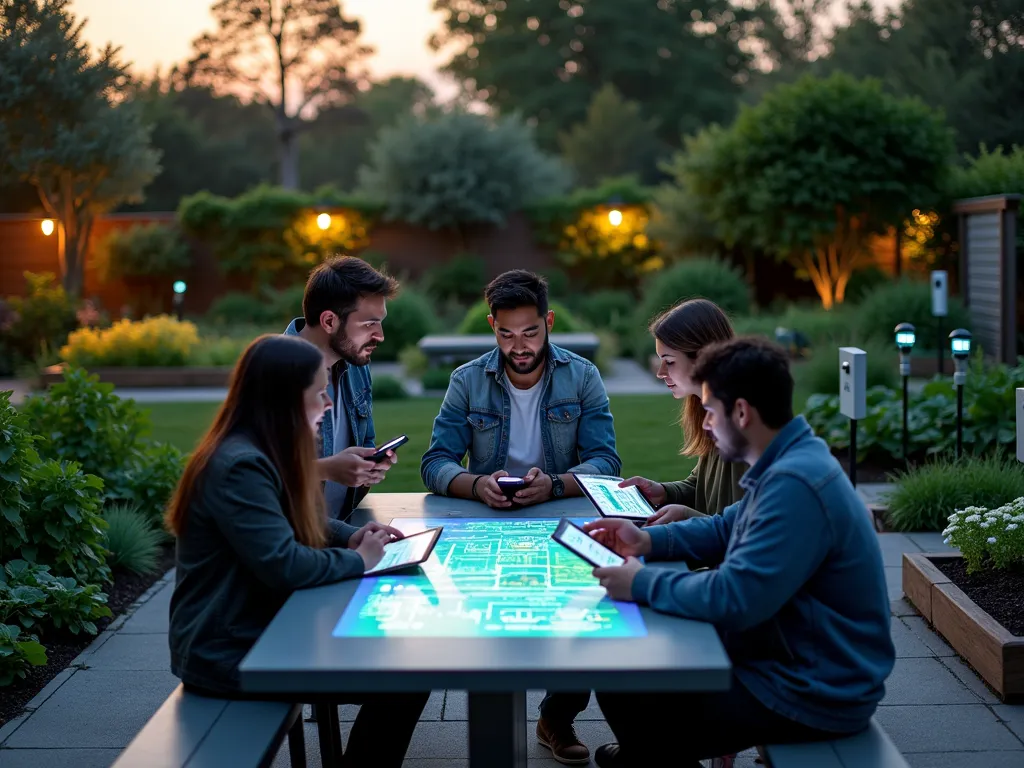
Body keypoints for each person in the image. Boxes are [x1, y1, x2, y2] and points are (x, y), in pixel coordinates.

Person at [584, 337, 896, 767]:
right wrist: (648, 541)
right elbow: (724, 526)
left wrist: (640, 581)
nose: (706, 424)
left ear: (743, 412)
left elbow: (735, 598)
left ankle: (650, 751)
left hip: (812, 690)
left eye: (711, 412)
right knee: (629, 670)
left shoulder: (795, 486)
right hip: (789, 661)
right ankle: (648, 750)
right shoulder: (788, 460)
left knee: (628, 676)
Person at [166, 334, 429, 768]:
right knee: (405, 673)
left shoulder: (256, 449)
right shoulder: (240, 466)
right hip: (231, 652)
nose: (328, 404)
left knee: (401, 665)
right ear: (285, 399)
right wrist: (361, 560)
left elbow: (293, 518)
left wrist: (349, 536)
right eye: (319, 393)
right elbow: (284, 565)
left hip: (254, 631)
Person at [420, 269, 621, 765]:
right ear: (492, 326)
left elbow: (607, 462)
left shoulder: (582, 376)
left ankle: (556, 717)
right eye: (506, 333)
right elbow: (435, 462)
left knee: (584, 611)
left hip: (559, 508)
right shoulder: (467, 381)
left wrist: (552, 485)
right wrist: (475, 484)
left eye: (530, 332)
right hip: (487, 518)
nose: (519, 345)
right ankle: (496, 714)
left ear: (548, 322)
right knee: (482, 621)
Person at [284, 256, 400, 521]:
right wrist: (327, 469)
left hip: (338, 529)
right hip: (290, 539)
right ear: (328, 322)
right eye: (369, 324)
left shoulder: (355, 365)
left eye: (380, 322)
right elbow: (255, 476)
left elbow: (365, 439)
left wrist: (366, 467)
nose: (380, 336)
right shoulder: (273, 374)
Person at [619, 298, 746, 525]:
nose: (660, 372)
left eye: (669, 361)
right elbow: (700, 485)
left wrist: (686, 516)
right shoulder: (711, 410)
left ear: (702, 358)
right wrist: (663, 493)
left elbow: (743, 528)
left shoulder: (742, 425)